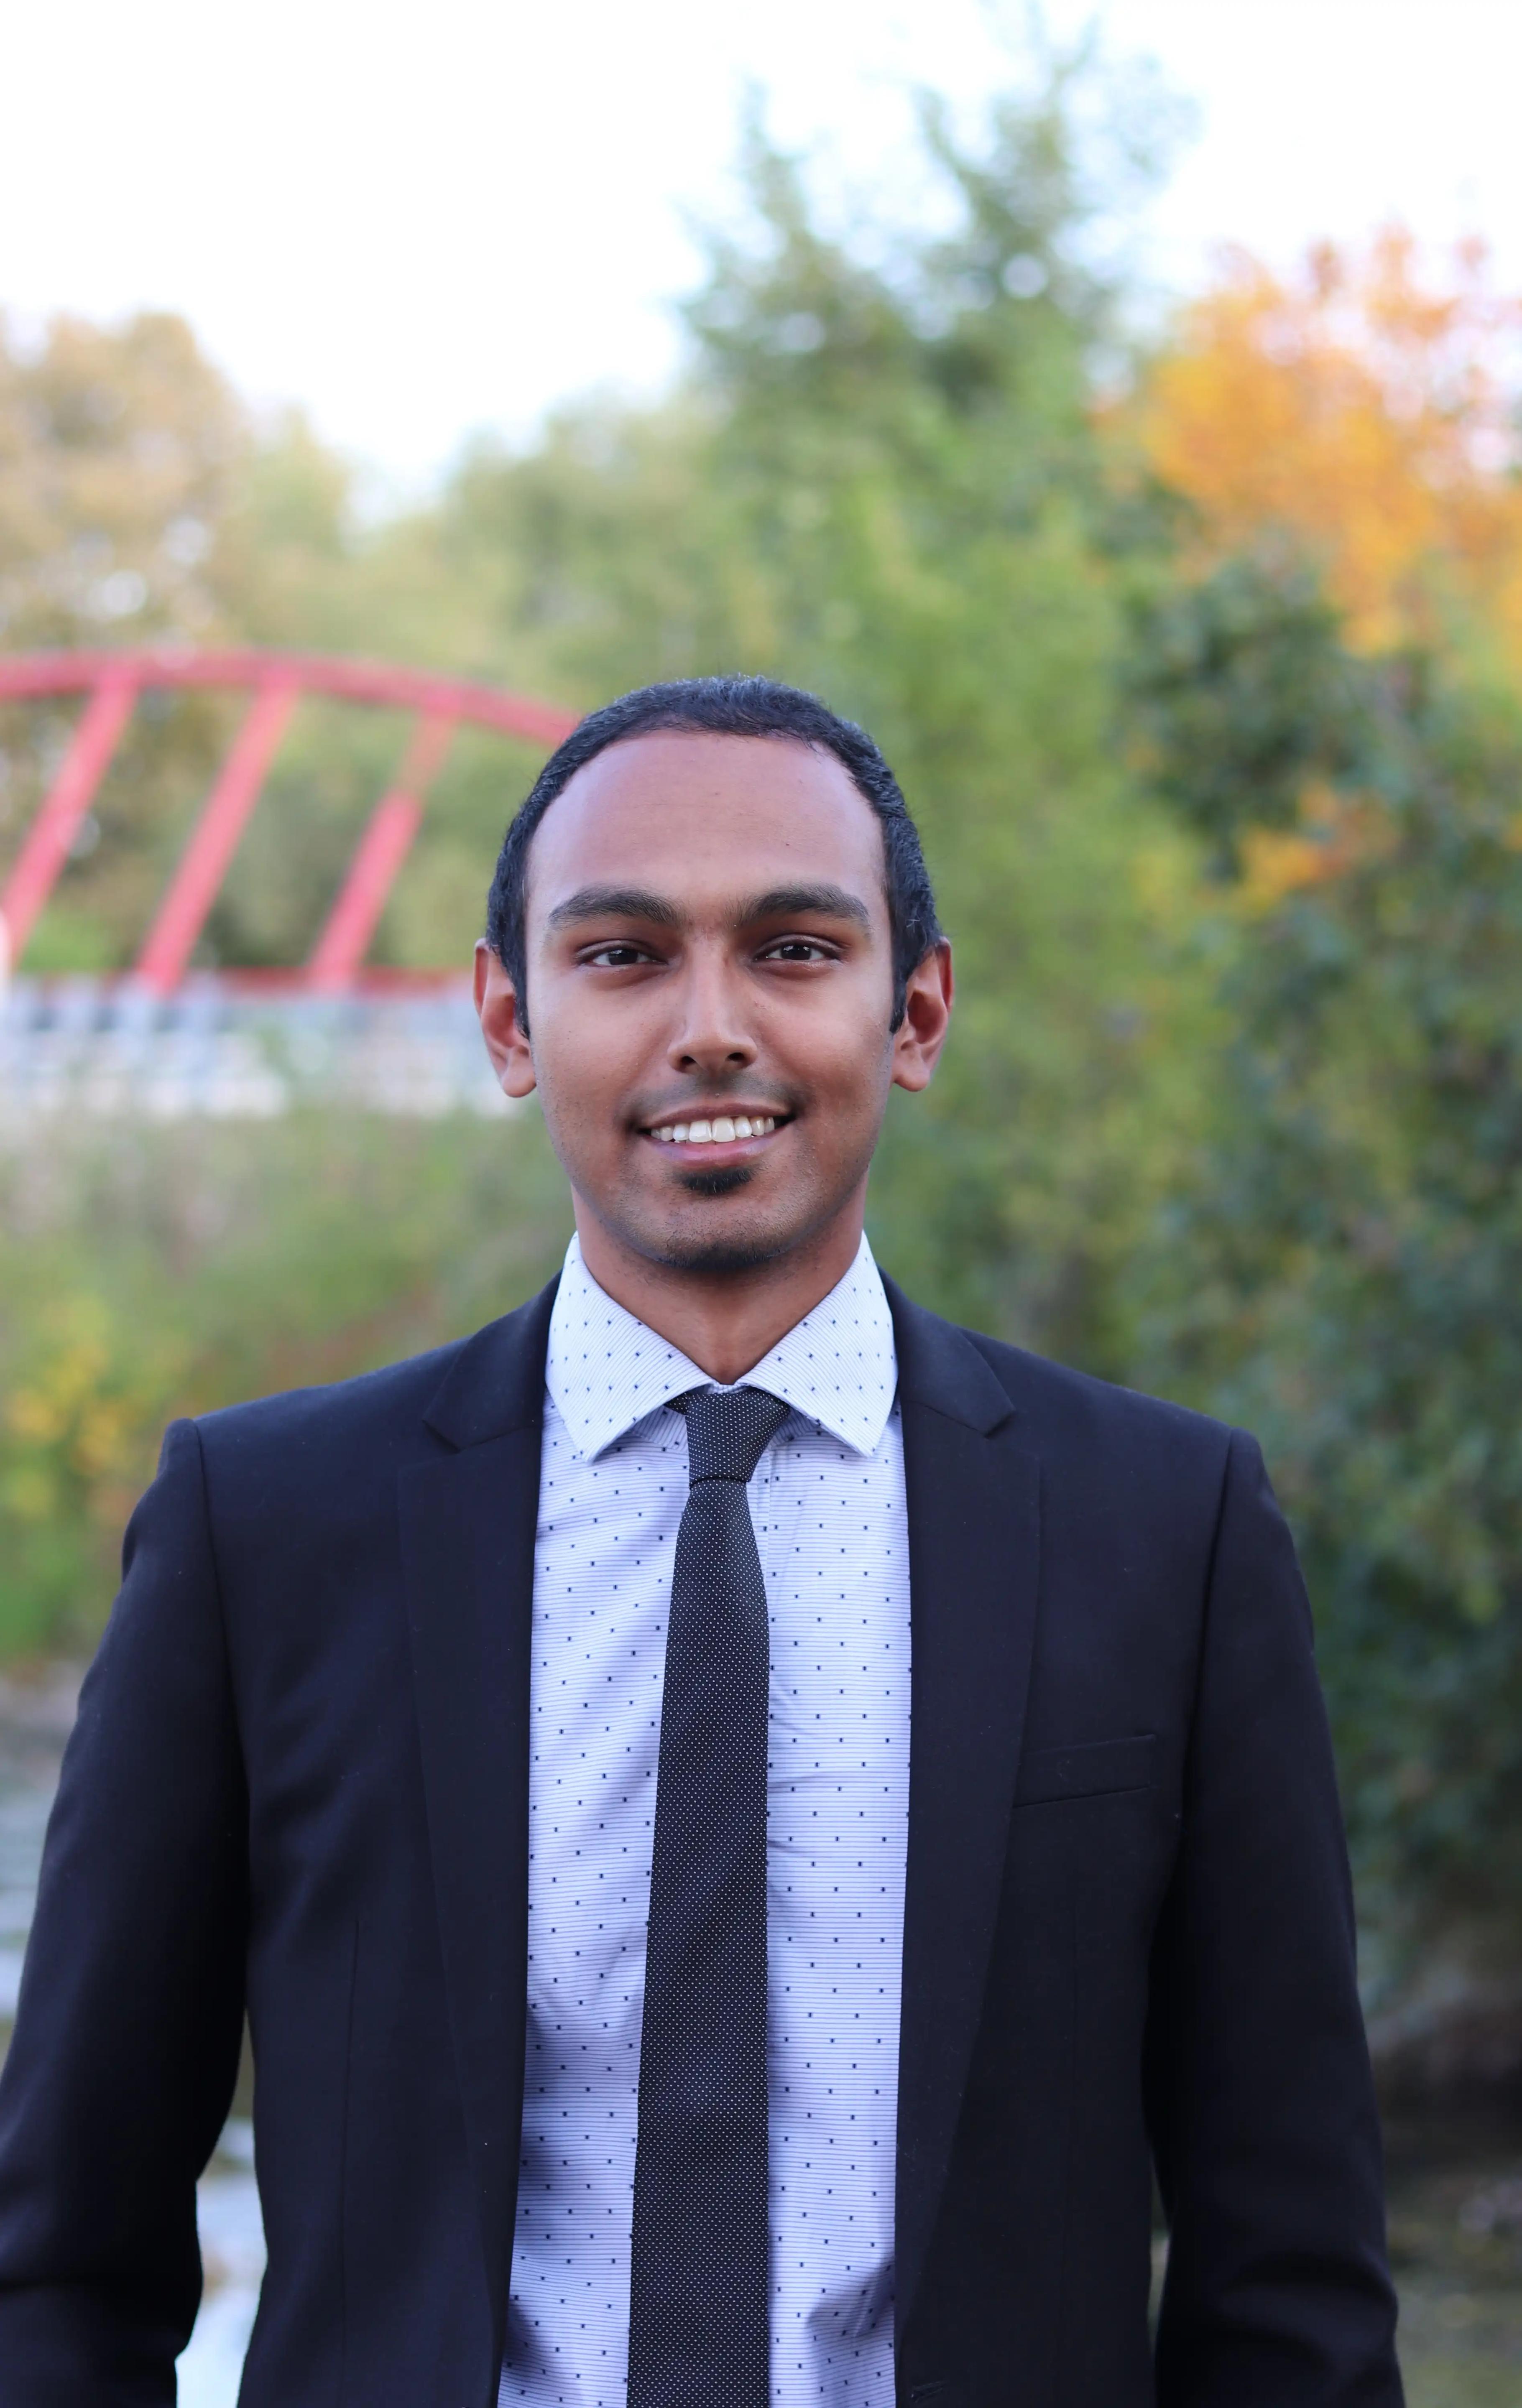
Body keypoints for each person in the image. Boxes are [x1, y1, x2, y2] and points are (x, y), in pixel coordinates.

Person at [0, 676, 1403, 2407]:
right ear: (512, 1025)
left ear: (921, 1010)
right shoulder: (266, 1533)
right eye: (624, 955)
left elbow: (1295, 2293)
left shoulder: (1168, 1535)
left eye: (798, 948)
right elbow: (62, 2266)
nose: (713, 1026)